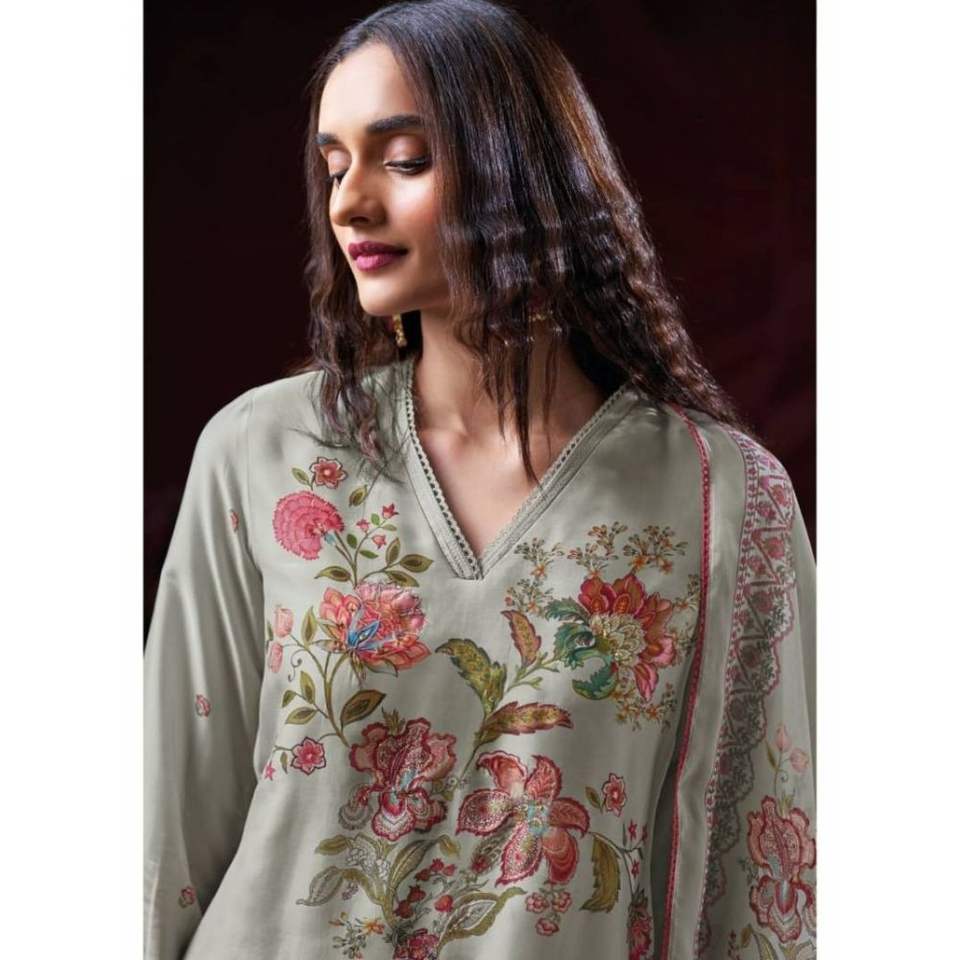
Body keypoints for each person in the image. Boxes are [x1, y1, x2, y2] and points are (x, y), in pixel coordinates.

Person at [143, 1, 816, 958]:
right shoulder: (263, 450)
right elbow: (161, 845)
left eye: (403, 160)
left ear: (521, 172)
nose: (349, 202)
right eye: (333, 167)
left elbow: (773, 883)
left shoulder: (718, 496)